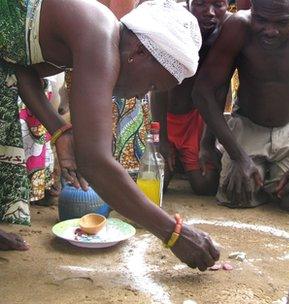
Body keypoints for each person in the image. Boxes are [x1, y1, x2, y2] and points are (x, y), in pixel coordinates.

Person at [0, 0, 220, 271]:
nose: (142, 95)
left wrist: (60, 130)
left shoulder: (92, 36)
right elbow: (95, 162)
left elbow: (22, 69)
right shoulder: (98, 36)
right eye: (151, 84)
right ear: (139, 51)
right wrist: (173, 233)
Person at [192, 0, 289, 213]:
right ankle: (264, 179)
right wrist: (237, 155)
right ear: (252, 8)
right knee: (237, 194)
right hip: (247, 124)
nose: (270, 31)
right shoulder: (238, 27)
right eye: (261, 20)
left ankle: (276, 180)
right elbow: (203, 91)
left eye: (281, 22)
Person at [151, 0, 231, 195]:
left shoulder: (229, 31)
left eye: (218, 5)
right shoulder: (174, 24)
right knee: (157, 185)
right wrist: (162, 138)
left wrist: (208, 142)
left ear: (228, 4)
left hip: (198, 118)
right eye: (201, 4)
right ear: (188, 4)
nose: (209, 12)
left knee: (205, 185)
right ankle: (176, 159)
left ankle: (190, 158)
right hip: (166, 117)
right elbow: (158, 88)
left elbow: (220, 91)